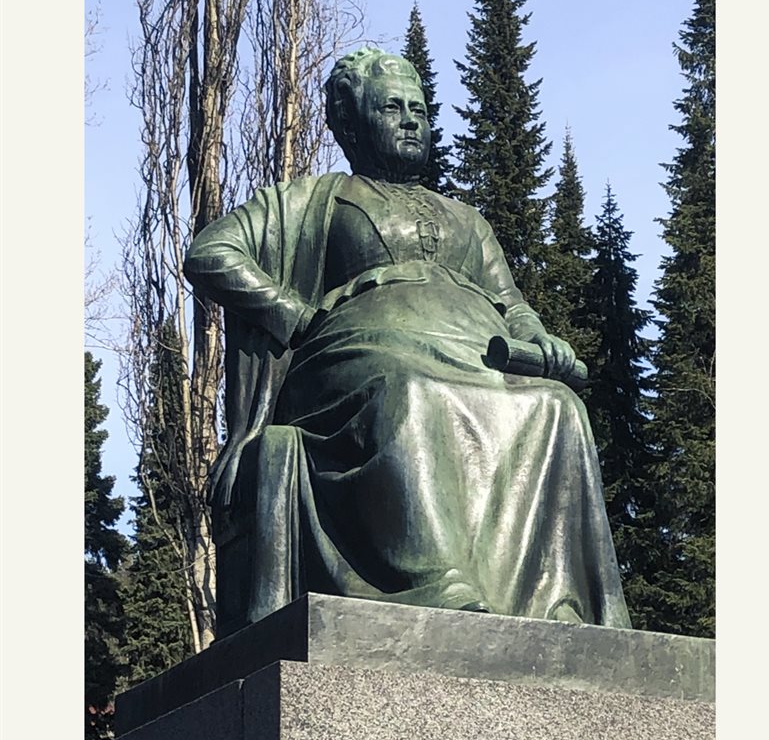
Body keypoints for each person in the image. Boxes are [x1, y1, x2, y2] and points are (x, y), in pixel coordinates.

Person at [185, 47, 631, 636]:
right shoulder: (313, 200)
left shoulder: (468, 221)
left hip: (474, 355)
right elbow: (211, 252)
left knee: (558, 408)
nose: (411, 120)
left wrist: (537, 339)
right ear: (350, 123)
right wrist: (295, 315)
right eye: (392, 107)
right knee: (407, 391)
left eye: (419, 109)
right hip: (357, 357)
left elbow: (512, 304)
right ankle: (430, 580)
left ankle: (562, 604)